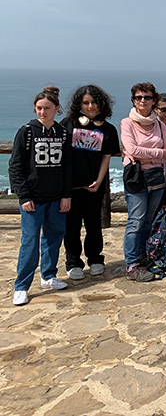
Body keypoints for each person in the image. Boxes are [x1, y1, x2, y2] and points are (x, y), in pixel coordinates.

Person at [9, 87, 72, 305]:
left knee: (54, 238)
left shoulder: (62, 133)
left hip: (56, 198)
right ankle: (22, 286)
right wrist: (24, 196)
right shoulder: (26, 132)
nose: (42, 112)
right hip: (33, 200)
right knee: (30, 241)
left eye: (47, 108)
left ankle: (48, 276)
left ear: (57, 109)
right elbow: (15, 166)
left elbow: (67, 167)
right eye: (39, 108)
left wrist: (66, 195)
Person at [62, 85, 120, 281]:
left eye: (94, 102)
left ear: (101, 103)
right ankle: (73, 262)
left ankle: (96, 259)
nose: (90, 106)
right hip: (72, 186)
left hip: (95, 185)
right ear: (79, 104)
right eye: (85, 103)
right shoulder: (68, 124)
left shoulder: (108, 129)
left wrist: (99, 180)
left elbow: (106, 157)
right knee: (72, 226)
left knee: (94, 224)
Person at [121, 82, 166, 282]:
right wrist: (158, 154)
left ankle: (143, 255)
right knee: (135, 221)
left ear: (153, 101)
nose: (143, 101)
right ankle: (132, 264)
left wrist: (149, 156)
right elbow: (132, 150)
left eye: (147, 97)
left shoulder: (160, 124)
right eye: (139, 97)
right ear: (133, 100)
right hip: (137, 179)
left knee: (149, 219)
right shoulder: (127, 123)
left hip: (157, 178)